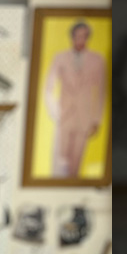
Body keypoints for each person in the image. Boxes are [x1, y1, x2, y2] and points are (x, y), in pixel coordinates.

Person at [44, 20, 107, 178]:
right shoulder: (60, 58)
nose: (81, 40)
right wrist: (56, 112)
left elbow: (100, 92)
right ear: (72, 37)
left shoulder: (97, 60)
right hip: (64, 116)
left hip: (84, 118)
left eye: (84, 37)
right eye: (78, 37)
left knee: (76, 164)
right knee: (60, 162)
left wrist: (96, 120)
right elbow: (48, 88)